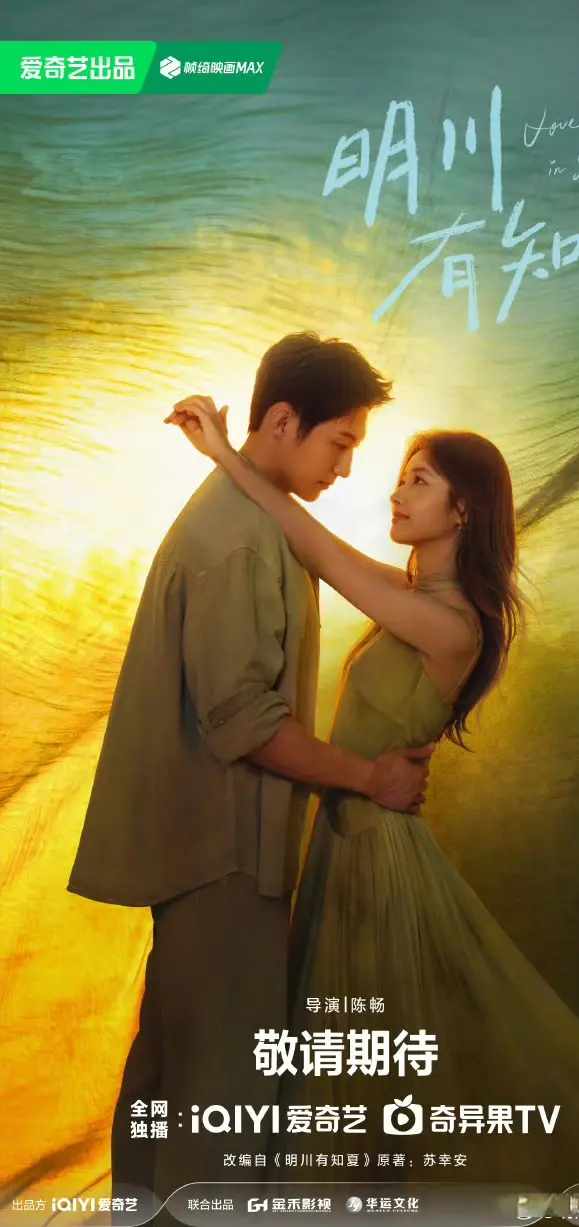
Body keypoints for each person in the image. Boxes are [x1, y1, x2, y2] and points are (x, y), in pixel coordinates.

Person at [167, 393, 579, 1189]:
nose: (396, 492)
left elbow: (315, 546)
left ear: (463, 509)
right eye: (403, 477)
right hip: (352, 839)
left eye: (419, 481)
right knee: (368, 1055)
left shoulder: (452, 624)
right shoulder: (416, 598)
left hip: (376, 854)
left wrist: (224, 456)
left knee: (379, 1059)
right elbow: (319, 547)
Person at [66, 333, 434, 1219]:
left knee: (171, 1080)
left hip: (208, 851)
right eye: (341, 443)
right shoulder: (238, 537)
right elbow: (246, 724)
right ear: (283, 421)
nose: (347, 469)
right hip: (225, 854)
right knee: (220, 1099)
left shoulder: (249, 514)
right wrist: (368, 777)